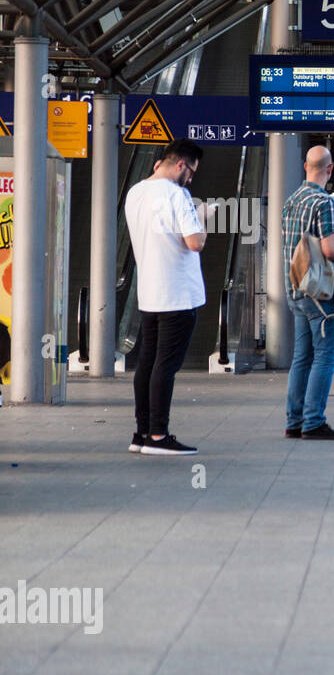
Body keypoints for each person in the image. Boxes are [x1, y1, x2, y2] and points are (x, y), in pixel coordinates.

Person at [125, 139, 206, 456]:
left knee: (147, 363)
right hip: (178, 295)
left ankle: (141, 433)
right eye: (192, 172)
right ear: (182, 164)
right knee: (165, 366)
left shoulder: (135, 192)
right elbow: (195, 242)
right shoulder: (178, 194)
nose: (191, 179)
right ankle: (159, 436)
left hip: (149, 293)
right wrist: (203, 217)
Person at [283, 146, 334, 440]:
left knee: (301, 358)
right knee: (326, 357)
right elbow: (330, 248)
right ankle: (313, 422)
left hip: (295, 291)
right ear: (329, 170)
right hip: (320, 295)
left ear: (306, 166)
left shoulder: (290, 202)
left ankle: (294, 421)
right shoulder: (324, 202)